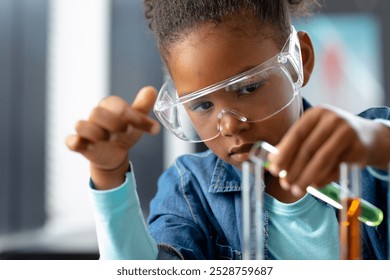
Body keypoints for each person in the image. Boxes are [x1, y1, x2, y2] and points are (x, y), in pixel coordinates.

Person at [66, 0, 390, 260]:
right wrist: (109, 175)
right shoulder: (191, 192)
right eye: (202, 105)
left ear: (300, 60)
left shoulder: (371, 146)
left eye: (249, 87)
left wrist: (378, 144)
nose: (231, 125)